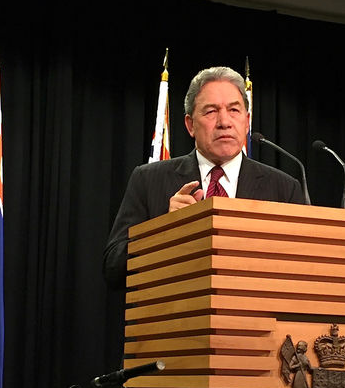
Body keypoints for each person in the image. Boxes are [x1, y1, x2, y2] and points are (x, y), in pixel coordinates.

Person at [103, 66, 305, 287]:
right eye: (211, 111)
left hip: (254, 319)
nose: (224, 122)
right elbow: (113, 269)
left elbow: (302, 272)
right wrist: (164, 230)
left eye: (234, 110)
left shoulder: (284, 189)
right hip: (176, 317)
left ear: (247, 121)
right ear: (190, 125)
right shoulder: (148, 180)